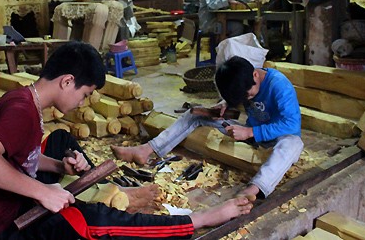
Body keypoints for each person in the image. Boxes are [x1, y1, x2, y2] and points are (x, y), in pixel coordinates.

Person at [0, 41, 254, 239]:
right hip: (13, 221)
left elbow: (21, 155)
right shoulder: (21, 111)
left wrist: (58, 167)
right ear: (67, 81)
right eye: (83, 94)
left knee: (60, 139)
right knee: (92, 222)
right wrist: (43, 192)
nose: (82, 103)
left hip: (20, 191)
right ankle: (197, 220)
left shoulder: (26, 99)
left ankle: (111, 194)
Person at [112, 56, 304, 200]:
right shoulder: (245, 82)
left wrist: (251, 132)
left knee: (293, 144)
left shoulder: (279, 86)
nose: (247, 100)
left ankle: (255, 188)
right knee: (196, 113)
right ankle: (147, 149)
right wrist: (224, 104)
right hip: (249, 133)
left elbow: (292, 124)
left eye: (249, 95)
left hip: (277, 137)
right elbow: (236, 98)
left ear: (256, 74)